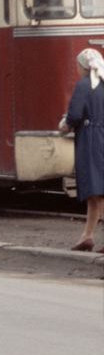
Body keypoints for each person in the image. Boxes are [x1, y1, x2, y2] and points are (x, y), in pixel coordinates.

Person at [59, 48, 104, 252]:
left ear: (83, 67)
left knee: (95, 189)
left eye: (77, 65)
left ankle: (89, 236)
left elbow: (75, 114)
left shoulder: (84, 86)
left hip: (91, 138)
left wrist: (65, 124)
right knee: (98, 190)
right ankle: (87, 236)